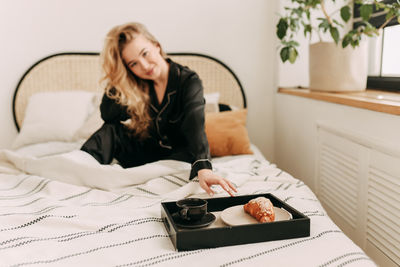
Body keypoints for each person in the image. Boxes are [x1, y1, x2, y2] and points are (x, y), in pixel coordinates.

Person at [81, 22, 237, 196]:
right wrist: (119, 78)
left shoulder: (188, 81)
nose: (145, 66)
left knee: (186, 152)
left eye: (145, 54)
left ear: (157, 46)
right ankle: (79, 167)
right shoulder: (134, 86)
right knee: (112, 130)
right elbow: (108, 115)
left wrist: (204, 167)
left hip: (177, 156)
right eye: (133, 64)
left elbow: (195, 125)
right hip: (145, 153)